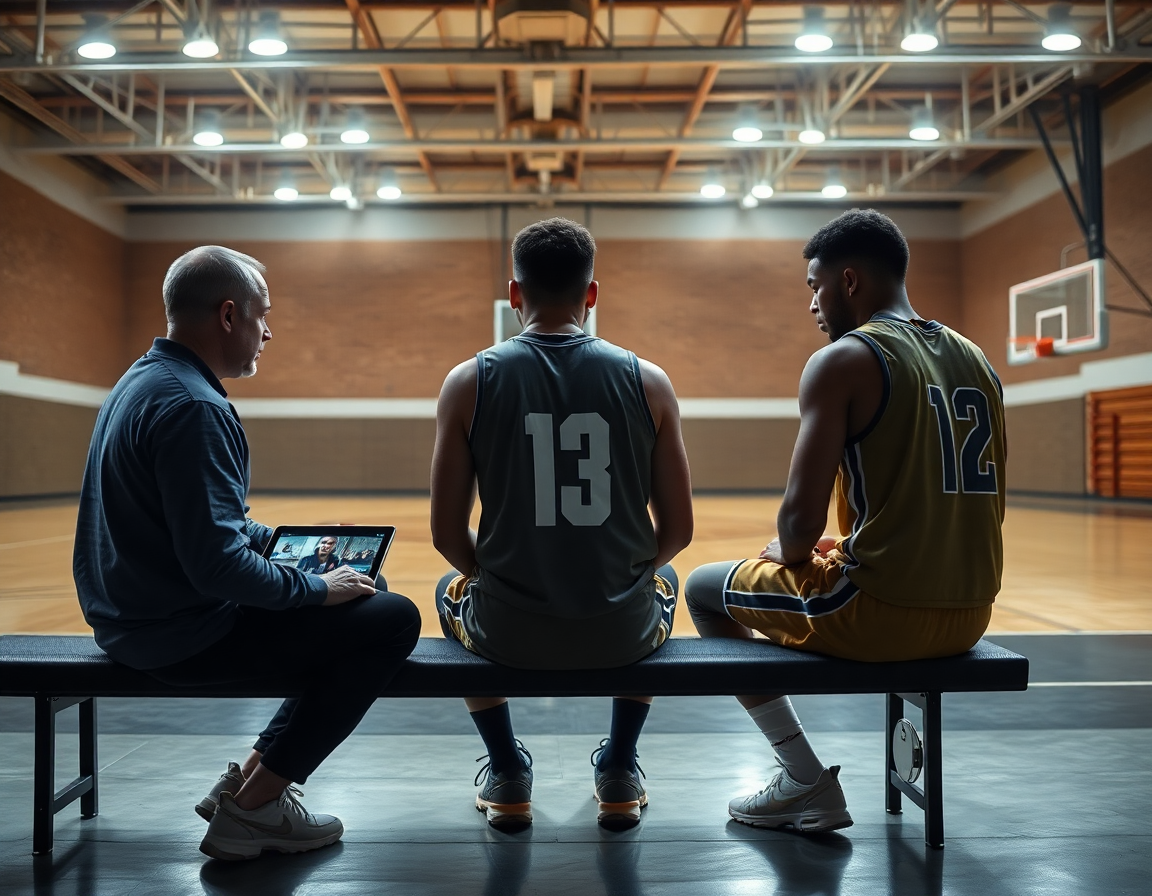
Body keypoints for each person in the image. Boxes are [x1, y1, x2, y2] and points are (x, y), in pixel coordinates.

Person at [73, 246, 421, 861]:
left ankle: (247, 782)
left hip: (134, 619)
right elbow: (218, 568)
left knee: (366, 591)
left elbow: (215, 527)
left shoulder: (144, 381)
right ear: (229, 315)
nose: (270, 332)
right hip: (177, 636)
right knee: (393, 621)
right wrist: (315, 587)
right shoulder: (195, 409)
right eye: (263, 316)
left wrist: (299, 549)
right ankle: (254, 813)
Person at [684, 209, 1006, 834]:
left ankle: (804, 779)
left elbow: (799, 525)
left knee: (703, 589)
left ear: (849, 281)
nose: (812, 303)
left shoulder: (844, 359)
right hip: (972, 614)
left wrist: (791, 547)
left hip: (881, 612)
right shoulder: (978, 361)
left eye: (814, 286)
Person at [430, 218, 694, 831]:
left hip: (507, 632)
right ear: (592, 294)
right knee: (671, 578)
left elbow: (447, 535)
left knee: (445, 591)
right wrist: (622, 574)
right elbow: (676, 531)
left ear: (515, 295)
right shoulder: (649, 381)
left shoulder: (468, 381)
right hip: (621, 629)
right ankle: (621, 769)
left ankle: (506, 771)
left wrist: (497, 577)